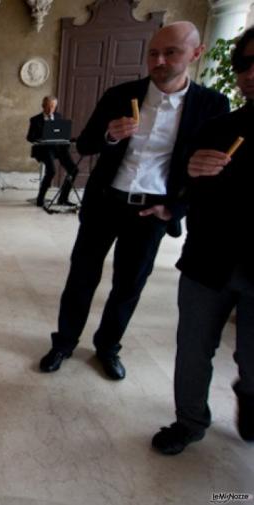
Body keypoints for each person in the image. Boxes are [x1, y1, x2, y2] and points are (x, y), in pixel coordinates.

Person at [38, 21, 230, 380]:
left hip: (151, 210)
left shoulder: (212, 105)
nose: (158, 61)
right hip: (105, 201)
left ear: (196, 52)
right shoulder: (120, 94)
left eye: (170, 52)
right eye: (153, 53)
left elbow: (209, 170)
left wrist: (174, 208)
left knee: (129, 285)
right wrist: (110, 135)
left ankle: (108, 347)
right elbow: (85, 144)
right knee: (81, 276)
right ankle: (64, 341)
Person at [152, 26, 254, 455]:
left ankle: (249, 396)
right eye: (242, 65)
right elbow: (186, 190)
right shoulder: (220, 126)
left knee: (252, 359)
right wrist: (193, 174)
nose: (248, 74)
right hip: (207, 260)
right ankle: (189, 420)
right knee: (193, 350)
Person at [26, 96, 79, 207]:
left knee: (74, 170)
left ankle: (63, 198)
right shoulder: (35, 120)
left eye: (53, 107)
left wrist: (69, 139)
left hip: (59, 148)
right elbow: (30, 137)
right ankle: (40, 199)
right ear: (43, 106)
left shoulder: (58, 116)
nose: (51, 110)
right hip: (44, 149)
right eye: (48, 107)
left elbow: (61, 134)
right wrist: (41, 139)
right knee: (51, 171)